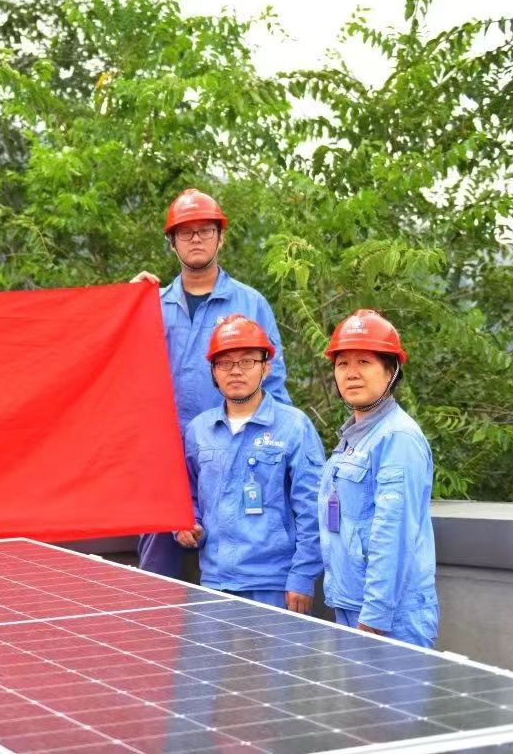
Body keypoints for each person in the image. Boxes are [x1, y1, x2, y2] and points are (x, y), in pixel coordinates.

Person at [132, 188, 291, 577]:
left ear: (221, 237)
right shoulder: (151, 304)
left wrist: (275, 456)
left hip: (232, 456)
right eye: (186, 232)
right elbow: (120, 375)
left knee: (234, 569)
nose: (196, 239)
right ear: (172, 242)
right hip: (165, 464)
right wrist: (126, 302)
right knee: (155, 580)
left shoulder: (250, 304)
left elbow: (274, 386)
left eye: (205, 230)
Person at [176, 315, 323, 612]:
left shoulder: (294, 427)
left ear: (266, 367)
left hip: (275, 585)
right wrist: (187, 526)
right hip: (214, 582)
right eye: (224, 363)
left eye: (247, 361)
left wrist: (303, 576)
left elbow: (313, 509)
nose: (235, 371)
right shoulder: (199, 430)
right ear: (213, 371)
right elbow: (185, 495)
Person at [318, 309, 439, 647]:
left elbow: (393, 532)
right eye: (342, 363)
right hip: (351, 603)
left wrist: (375, 613)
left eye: (364, 362)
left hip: (387, 615)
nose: (351, 373)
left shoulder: (397, 438)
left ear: (391, 370)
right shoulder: (355, 436)